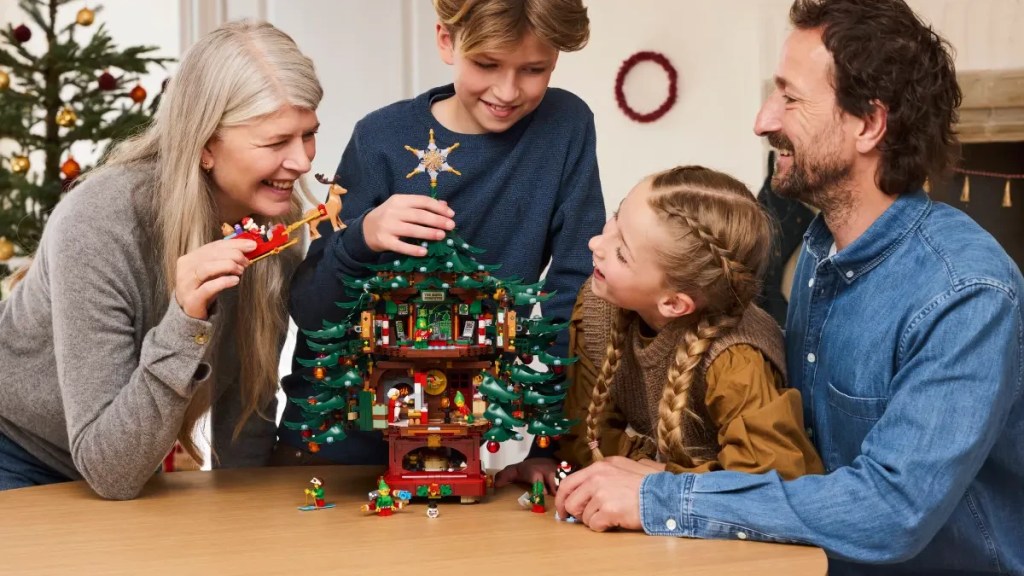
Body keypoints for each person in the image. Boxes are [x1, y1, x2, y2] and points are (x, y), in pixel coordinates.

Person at [555, 1, 1024, 574]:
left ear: (868, 124)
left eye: (791, 97)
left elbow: (890, 511)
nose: (762, 120)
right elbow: (795, 461)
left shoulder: (966, 291)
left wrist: (663, 497)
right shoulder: (823, 248)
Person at [0, 20, 323, 499]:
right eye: (276, 142)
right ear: (207, 145)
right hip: (18, 448)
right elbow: (110, 471)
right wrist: (188, 319)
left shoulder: (275, 227)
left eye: (309, 134)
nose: (302, 162)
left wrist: (253, 522)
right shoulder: (98, 222)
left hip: (130, 461)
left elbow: (247, 413)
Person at [275, 0, 605, 465]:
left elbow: (574, 294)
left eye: (534, 69)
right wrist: (362, 237)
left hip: (455, 432)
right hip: (333, 438)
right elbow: (312, 313)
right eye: (487, 64)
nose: (508, 91)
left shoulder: (566, 127)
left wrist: (548, 445)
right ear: (447, 41)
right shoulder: (380, 138)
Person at [497, 166, 823, 494]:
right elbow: (586, 435)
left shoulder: (737, 358)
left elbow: (776, 485)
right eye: (616, 217)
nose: (596, 242)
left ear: (673, 304)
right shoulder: (598, 308)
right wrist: (639, 467)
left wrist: (667, 480)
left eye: (622, 253)